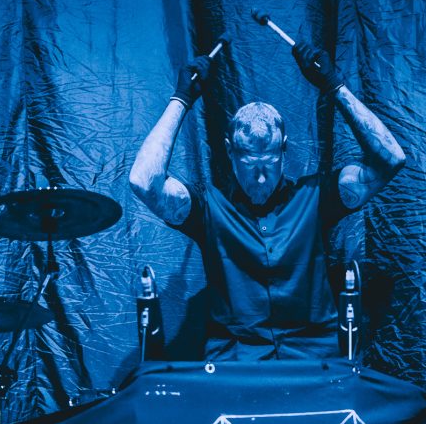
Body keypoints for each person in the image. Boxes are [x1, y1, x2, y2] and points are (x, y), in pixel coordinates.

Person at [129, 42, 406, 360]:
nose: (260, 179)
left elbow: (391, 159)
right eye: (250, 165)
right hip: (236, 365)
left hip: (315, 362)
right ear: (230, 151)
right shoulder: (208, 208)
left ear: (283, 149)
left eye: (269, 164)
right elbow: (143, 181)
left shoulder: (317, 197)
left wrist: (335, 86)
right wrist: (181, 99)